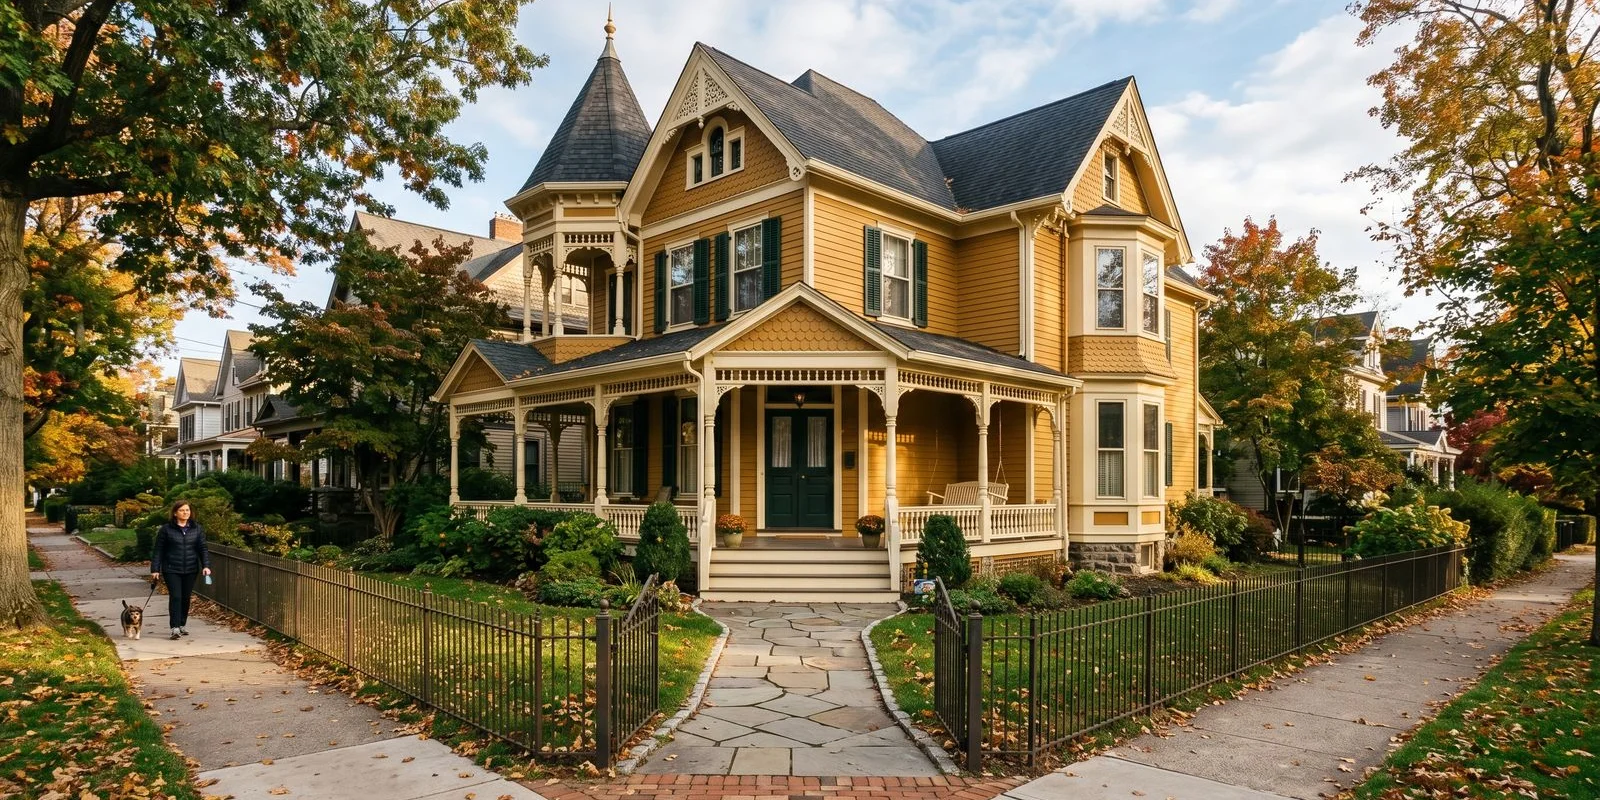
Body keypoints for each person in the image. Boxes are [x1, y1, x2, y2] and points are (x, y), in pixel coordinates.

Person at [151, 500, 211, 640]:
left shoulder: (197, 528)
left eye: (188, 510)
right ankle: (175, 627)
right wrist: (155, 569)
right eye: (182, 510)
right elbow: (158, 550)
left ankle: (182, 624)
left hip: (191, 569)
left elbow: (203, 548)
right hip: (171, 568)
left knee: (185, 598)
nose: (185, 513)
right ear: (175, 513)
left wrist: (206, 566)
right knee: (176, 597)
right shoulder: (166, 530)